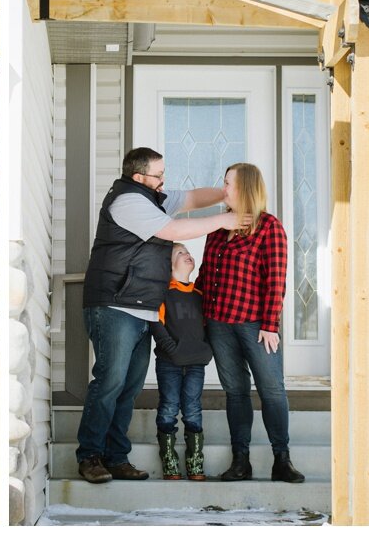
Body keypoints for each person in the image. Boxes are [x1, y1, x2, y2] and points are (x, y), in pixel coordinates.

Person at [76, 147, 253, 484]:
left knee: (128, 388)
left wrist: (228, 192)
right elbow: (173, 232)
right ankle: (90, 457)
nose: (164, 181)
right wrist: (224, 219)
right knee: (110, 382)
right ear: (139, 177)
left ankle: (116, 457)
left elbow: (191, 198)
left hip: (140, 308)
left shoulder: (151, 196)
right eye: (159, 175)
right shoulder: (128, 201)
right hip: (114, 305)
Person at [199, 162, 303, 484]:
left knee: (272, 391)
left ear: (245, 187)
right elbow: (205, 275)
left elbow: (276, 280)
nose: (223, 188)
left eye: (228, 183)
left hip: (256, 325)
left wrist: (270, 324)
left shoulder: (269, 227)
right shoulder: (218, 228)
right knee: (236, 392)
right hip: (219, 323)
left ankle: (281, 460)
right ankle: (240, 461)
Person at [150, 243, 212, 481]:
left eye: (187, 251)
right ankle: (169, 459)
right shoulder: (164, 293)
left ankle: (195, 459)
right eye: (180, 253)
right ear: (169, 264)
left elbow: (209, 328)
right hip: (169, 363)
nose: (187, 254)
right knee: (169, 406)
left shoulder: (199, 295)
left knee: (193, 409)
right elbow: (157, 326)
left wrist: (207, 351)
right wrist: (172, 350)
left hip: (196, 363)